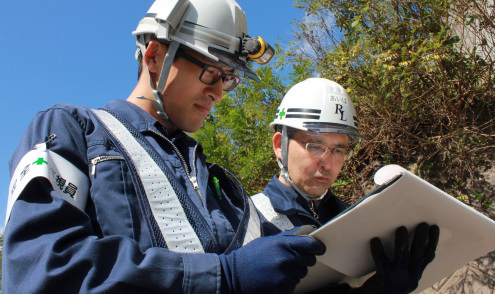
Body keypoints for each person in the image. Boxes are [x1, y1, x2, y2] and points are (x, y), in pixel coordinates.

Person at [3, 1, 325, 293]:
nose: (219, 93)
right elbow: (43, 268)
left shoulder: (226, 190)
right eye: (211, 72)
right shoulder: (73, 130)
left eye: (228, 78)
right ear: (155, 55)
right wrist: (221, 277)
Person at [252, 77, 440, 293]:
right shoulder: (248, 219)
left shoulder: (353, 220)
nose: (328, 163)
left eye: (339, 150)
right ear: (279, 145)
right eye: (315, 146)